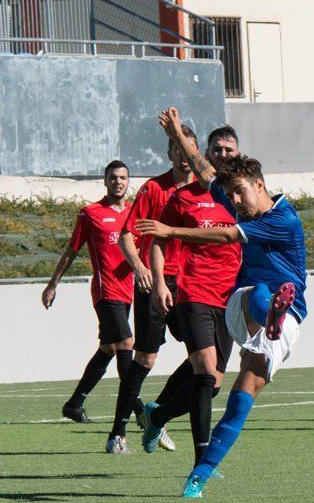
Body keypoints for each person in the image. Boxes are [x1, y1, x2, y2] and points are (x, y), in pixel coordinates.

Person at [137, 107, 307, 498]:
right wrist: (179, 133)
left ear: (260, 185)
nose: (234, 200)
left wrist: (169, 230)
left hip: (291, 316)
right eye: (231, 194)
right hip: (243, 304)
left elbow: (228, 237)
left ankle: (200, 474)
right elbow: (203, 168)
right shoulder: (239, 199)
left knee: (240, 396)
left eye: (240, 192)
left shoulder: (284, 220)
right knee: (258, 296)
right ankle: (271, 313)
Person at [140, 151, 242, 467]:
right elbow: (159, 238)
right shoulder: (184, 198)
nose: (224, 156)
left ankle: (158, 414)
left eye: (230, 150)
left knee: (212, 385)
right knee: (205, 372)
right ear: (206, 157)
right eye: (218, 151)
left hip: (231, 297)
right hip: (194, 291)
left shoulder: (238, 197)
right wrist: (159, 282)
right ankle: (202, 463)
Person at [105, 125, 196, 454]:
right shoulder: (154, 189)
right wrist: (140, 268)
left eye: (189, 151)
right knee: (145, 357)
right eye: (177, 150)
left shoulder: (205, 191)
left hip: (192, 284)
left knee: (205, 358)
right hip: (157, 283)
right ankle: (118, 432)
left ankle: (158, 414)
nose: (184, 157)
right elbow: (127, 235)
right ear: (169, 153)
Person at [42, 161, 137, 428]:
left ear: (128, 181)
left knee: (108, 347)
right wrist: (52, 284)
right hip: (106, 291)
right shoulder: (91, 213)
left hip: (128, 291)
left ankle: (74, 404)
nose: (118, 182)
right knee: (126, 344)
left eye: (123, 177)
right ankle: (138, 407)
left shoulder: (134, 214)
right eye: (113, 177)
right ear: (105, 181)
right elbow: (72, 250)